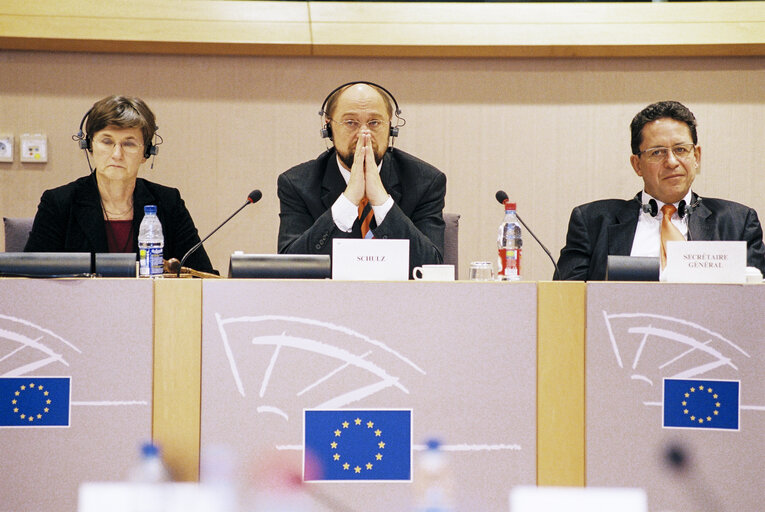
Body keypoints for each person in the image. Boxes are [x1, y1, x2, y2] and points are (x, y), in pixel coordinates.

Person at [554, 100, 765, 281]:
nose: (672, 162)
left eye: (681, 150)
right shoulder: (592, 222)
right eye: (657, 153)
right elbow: (564, 302)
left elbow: (755, 305)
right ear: (637, 164)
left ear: (696, 157)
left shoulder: (737, 223)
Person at [24, 95, 215, 274]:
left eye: (129, 144)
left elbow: (203, 276)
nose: (117, 154)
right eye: (107, 142)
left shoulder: (168, 203)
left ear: (146, 152)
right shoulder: (59, 203)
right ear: (89, 146)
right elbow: (26, 279)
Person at [276, 82, 446, 275]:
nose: (363, 133)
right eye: (351, 123)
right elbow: (290, 269)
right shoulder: (297, 184)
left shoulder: (425, 181)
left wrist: (381, 201)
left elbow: (432, 268)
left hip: (401, 301)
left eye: (374, 122)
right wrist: (348, 201)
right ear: (328, 128)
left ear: (391, 127)